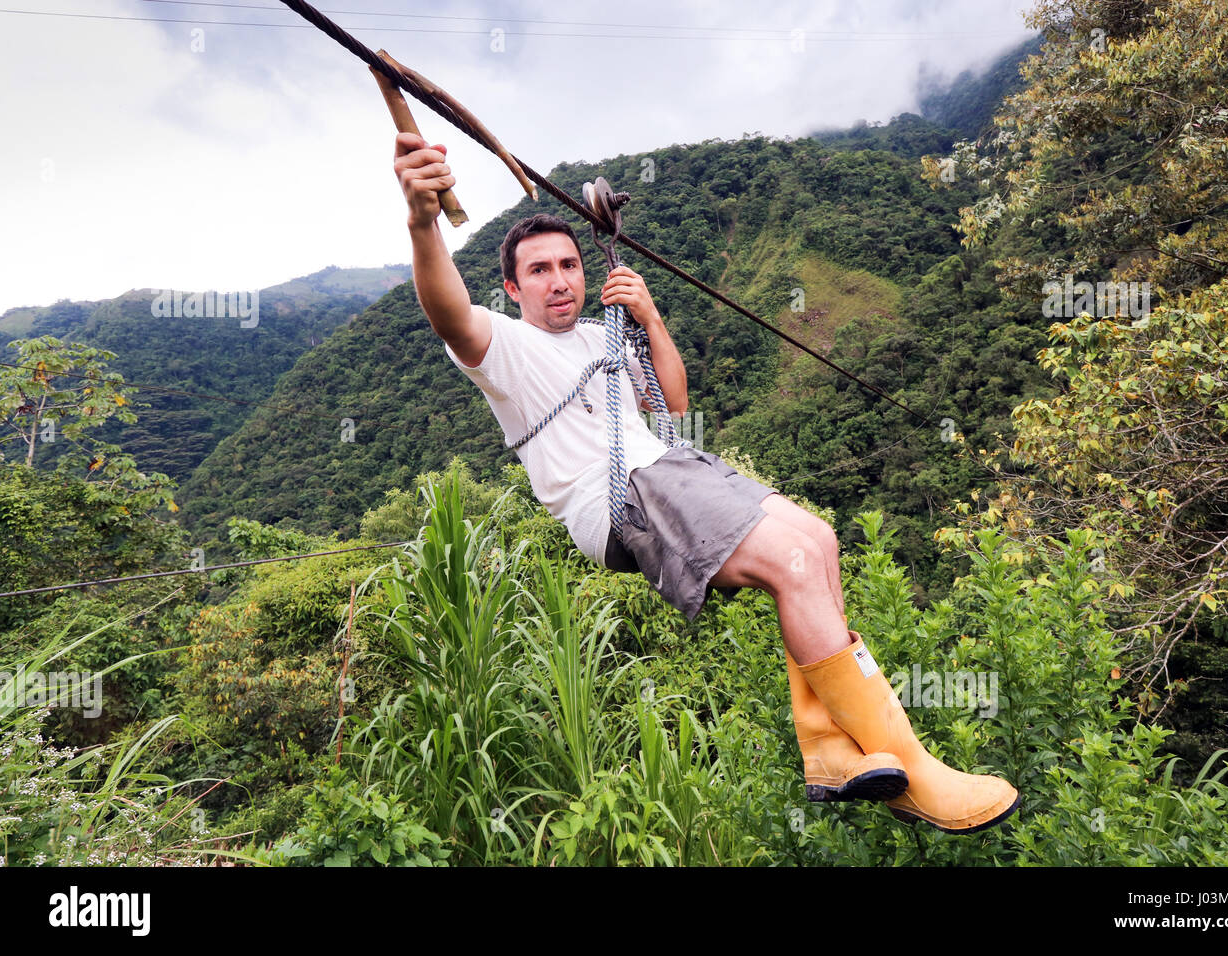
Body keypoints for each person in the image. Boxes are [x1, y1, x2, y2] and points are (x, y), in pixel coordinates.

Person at [393, 132, 1020, 833]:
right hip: (625, 498)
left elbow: (676, 408)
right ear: (511, 288)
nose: (561, 278)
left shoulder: (606, 334)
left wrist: (651, 317)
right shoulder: (503, 347)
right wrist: (422, 221)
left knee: (817, 539)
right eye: (539, 270)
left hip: (672, 464)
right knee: (789, 562)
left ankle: (828, 750)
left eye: (569, 263)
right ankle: (913, 770)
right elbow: (446, 309)